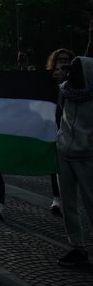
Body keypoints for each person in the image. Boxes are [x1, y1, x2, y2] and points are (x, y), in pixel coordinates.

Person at [56, 56, 93, 267]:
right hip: (64, 151)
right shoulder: (64, 91)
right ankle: (77, 246)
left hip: (87, 155)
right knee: (68, 203)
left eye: (75, 72)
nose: (71, 76)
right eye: (70, 72)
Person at [46, 48, 76, 215]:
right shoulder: (50, 79)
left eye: (67, 59)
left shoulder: (78, 80)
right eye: (60, 59)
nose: (63, 62)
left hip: (74, 127)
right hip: (55, 124)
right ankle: (56, 197)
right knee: (55, 163)